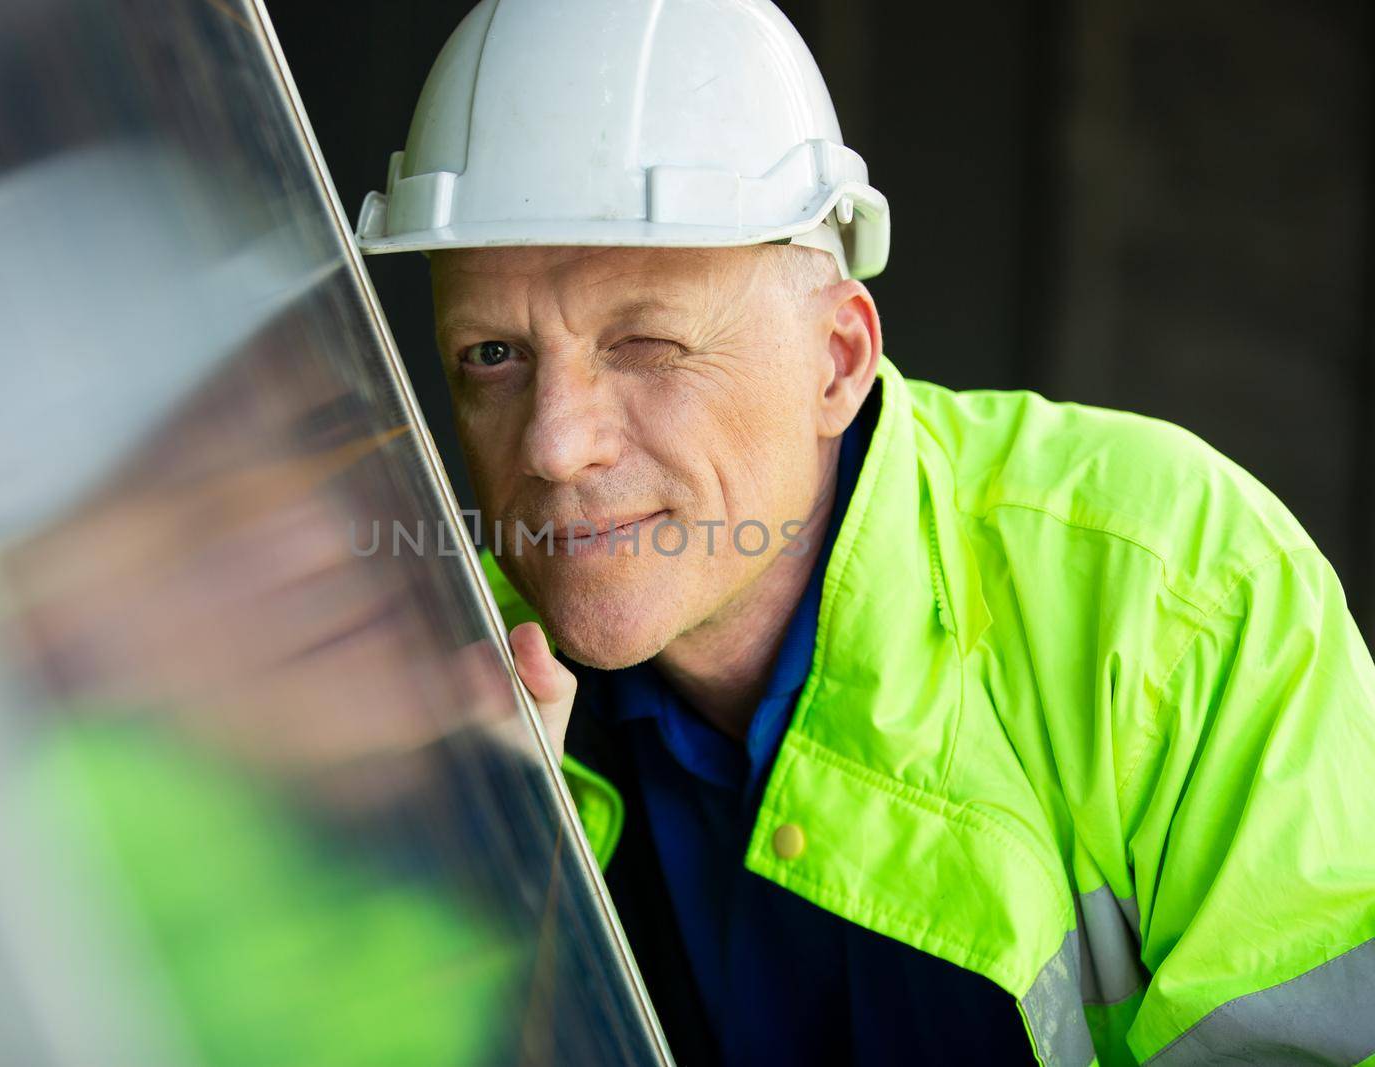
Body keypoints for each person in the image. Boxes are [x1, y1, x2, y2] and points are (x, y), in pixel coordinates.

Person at [356, 1, 1375, 1064]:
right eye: (489, 355)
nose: (555, 444)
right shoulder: (440, 702)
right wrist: (486, 901)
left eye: (646, 341)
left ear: (836, 361)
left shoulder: (1174, 595)